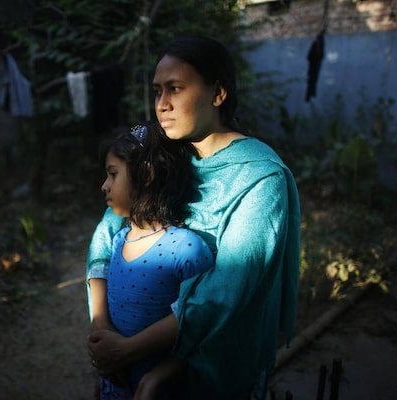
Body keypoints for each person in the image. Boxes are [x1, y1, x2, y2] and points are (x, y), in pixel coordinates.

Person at [86, 35, 301, 400]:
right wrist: (101, 327)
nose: (162, 105)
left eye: (176, 89)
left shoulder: (261, 179)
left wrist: (135, 352)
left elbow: (225, 295)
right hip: (133, 363)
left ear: (218, 93)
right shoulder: (161, 152)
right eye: (157, 91)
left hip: (212, 369)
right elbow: (107, 233)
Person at [89, 121, 215, 399]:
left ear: (146, 175)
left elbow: (200, 322)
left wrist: (156, 367)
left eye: (113, 174)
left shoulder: (186, 248)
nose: (104, 186)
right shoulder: (118, 241)